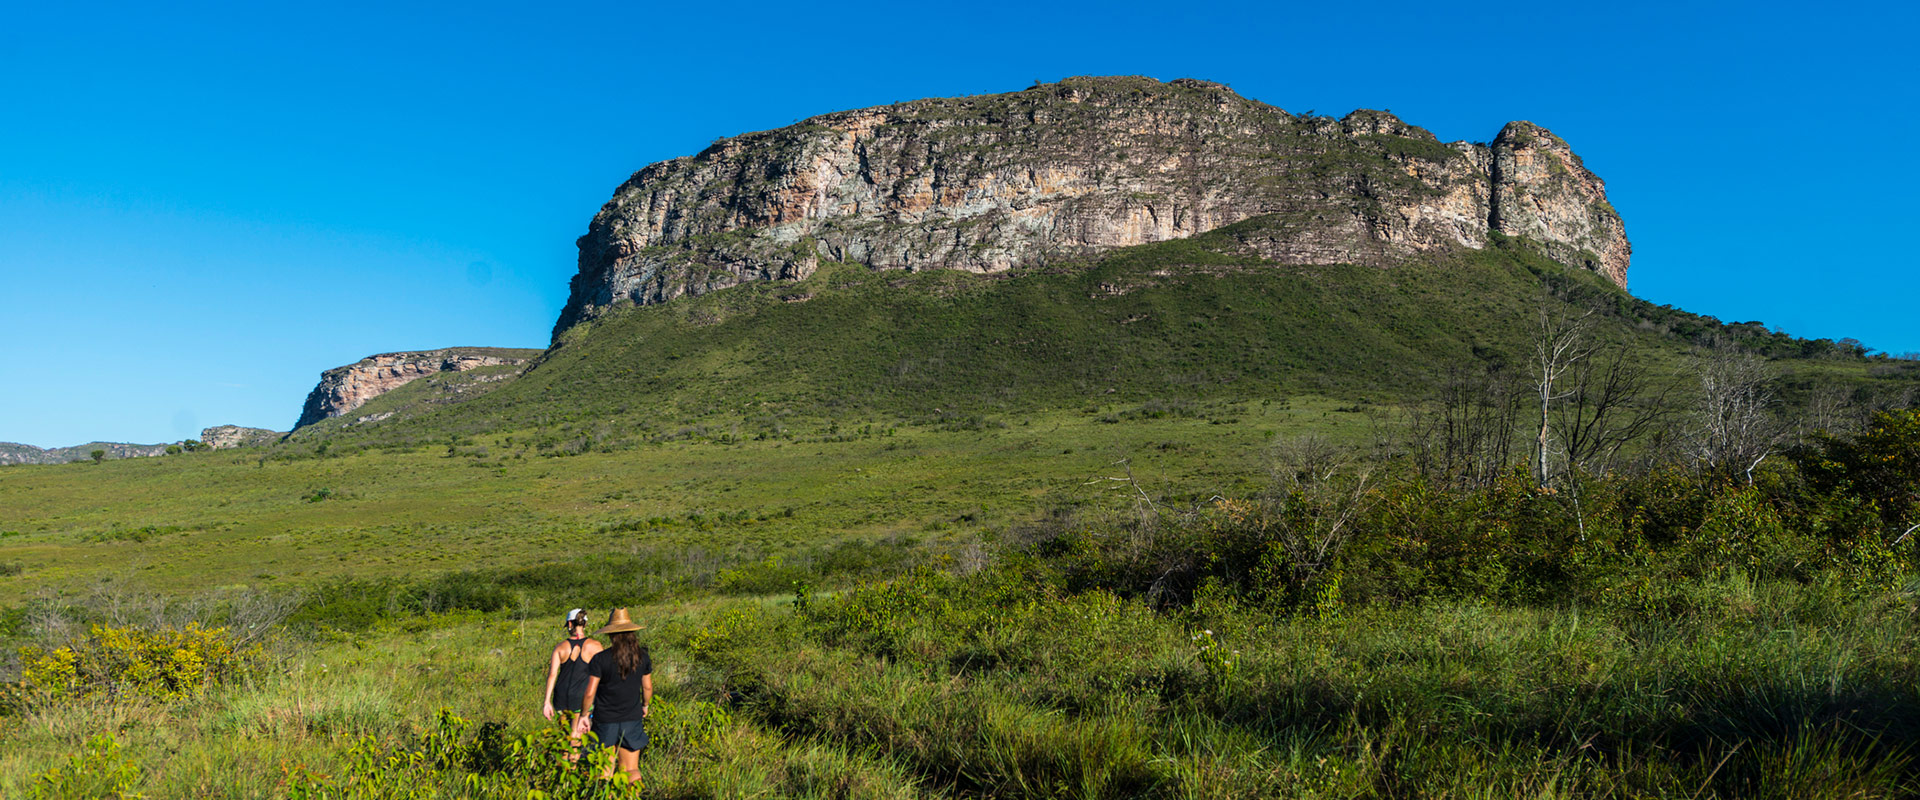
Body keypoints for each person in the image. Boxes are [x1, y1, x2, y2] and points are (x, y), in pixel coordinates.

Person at [574, 607, 652, 783]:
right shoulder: (642, 657)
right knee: (631, 770)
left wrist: (584, 716)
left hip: (605, 720)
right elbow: (647, 688)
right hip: (631, 718)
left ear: (611, 634)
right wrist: (645, 705)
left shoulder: (600, 659)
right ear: (632, 632)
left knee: (604, 771)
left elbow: (589, 692)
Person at [541, 608, 602, 750]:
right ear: (585, 624)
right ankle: (573, 768)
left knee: (564, 737)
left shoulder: (560, 647)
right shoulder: (595, 646)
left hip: (561, 696)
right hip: (581, 696)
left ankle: (564, 766)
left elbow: (552, 675)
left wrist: (546, 702)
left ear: (570, 624)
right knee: (576, 737)